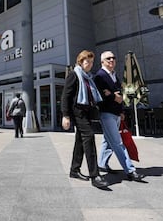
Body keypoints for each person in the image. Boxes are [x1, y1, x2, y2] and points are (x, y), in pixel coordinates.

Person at [94, 51, 144, 181]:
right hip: (106, 113)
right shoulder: (99, 76)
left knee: (108, 141)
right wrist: (112, 96)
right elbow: (100, 94)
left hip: (116, 113)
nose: (111, 60)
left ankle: (102, 164)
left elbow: (119, 95)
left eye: (113, 58)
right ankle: (130, 170)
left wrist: (121, 110)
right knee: (117, 142)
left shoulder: (114, 75)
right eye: (108, 58)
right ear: (102, 62)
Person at [61, 50, 108, 189]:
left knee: (80, 141)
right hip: (78, 112)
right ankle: (95, 175)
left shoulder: (88, 77)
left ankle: (74, 170)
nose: (90, 64)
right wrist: (65, 115)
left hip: (87, 112)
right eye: (87, 61)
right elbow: (66, 96)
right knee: (89, 137)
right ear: (80, 62)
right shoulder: (74, 75)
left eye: (92, 62)